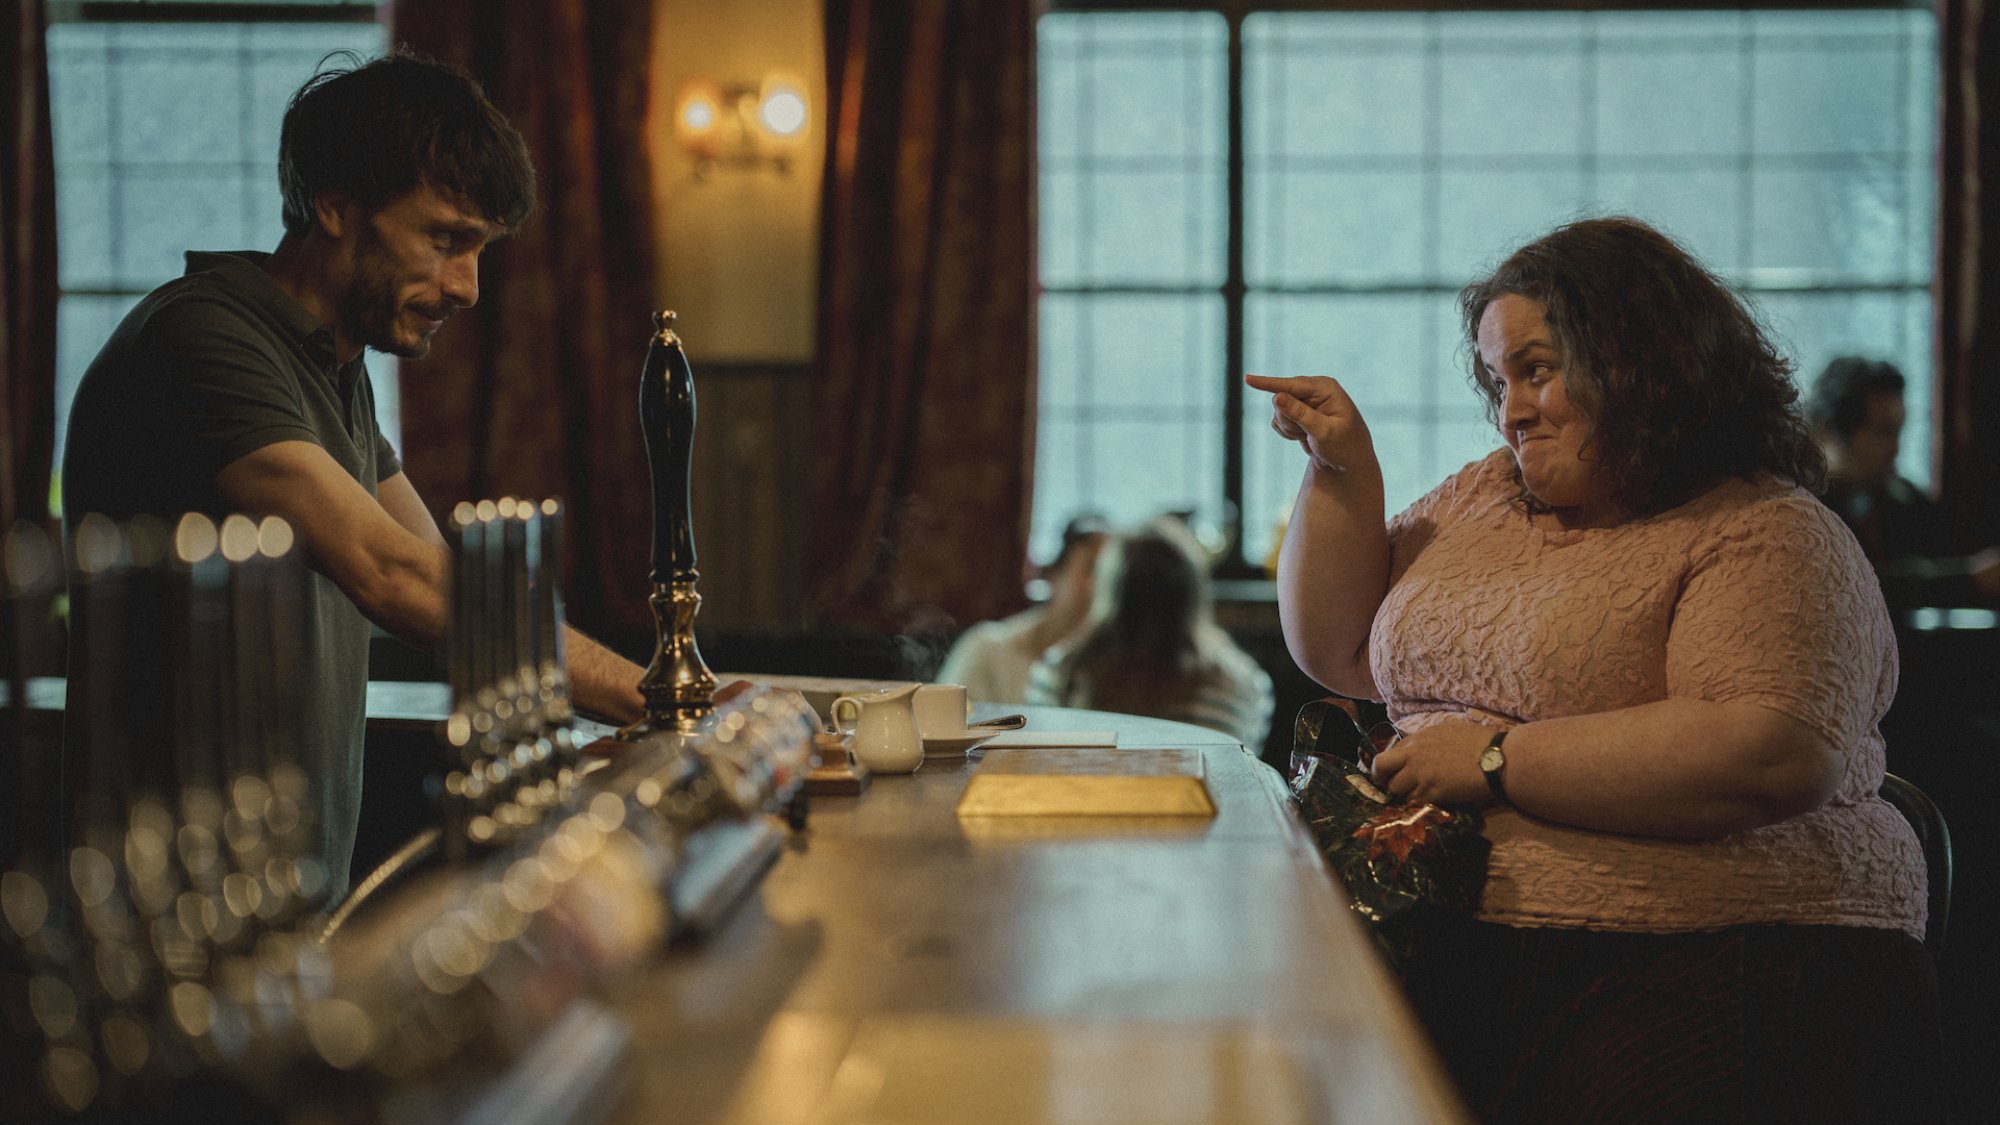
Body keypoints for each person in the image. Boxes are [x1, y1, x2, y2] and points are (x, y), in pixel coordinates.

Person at [1248, 216, 1942, 1122]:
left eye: (1537, 370)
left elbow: (1769, 751)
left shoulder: (1765, 529)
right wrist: (1341, 472)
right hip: (1452, 930)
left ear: (1646, 360)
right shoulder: (1482, 494)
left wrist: (1494, 760)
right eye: (1500, 380)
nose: (1511, 410)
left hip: (1713, 953)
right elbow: (1340, 650)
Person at [61, 53, 649, 899]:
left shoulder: (332, 365)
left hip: (287, 898)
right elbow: (393, 573)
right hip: (172, 914)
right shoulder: (202, 339)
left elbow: (455, 579)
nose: (468, 287)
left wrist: (643, 697)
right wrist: (653, 694)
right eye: (445, 239)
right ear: (332, 203)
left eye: (479, 249)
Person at [1026, 518, 1273, 749]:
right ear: (1192, 593)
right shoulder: (1241, 685)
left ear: (1109, 590)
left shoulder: (1057, 674)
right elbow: (1235, 774)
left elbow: (1048, 759)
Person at [1809, 354, 2000, 610]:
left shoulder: (1903, 500)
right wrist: (1967, 580)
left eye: (1899, 431)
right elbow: (1856, 587)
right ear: (1828, 432)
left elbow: (1954, 552)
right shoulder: (1803, 511)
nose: (1896, 448)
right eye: (1883, 433)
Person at [935, 514, 1108, 703]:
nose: (1101, 585)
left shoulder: (1107, 668)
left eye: (1111, 574)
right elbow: (941, 719)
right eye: (1092, 569)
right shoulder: (988, 648)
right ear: (1053, 575)